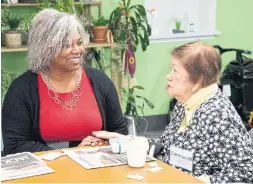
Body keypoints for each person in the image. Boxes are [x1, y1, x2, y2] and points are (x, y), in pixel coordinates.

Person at [94, 42, 253, 183]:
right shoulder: (186, 104)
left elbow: (245, 171)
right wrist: (129, 141)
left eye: (175, 71)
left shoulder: (218, 115)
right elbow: (165, 146)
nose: (168, 76)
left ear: (197, 81)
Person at [2, 9, 127, 155]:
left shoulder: (99, 80)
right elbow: (16, 144)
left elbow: (120, 130)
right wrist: (72, 154)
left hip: (95, 165)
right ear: (46, 49)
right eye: (67, 45)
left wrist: (102, 143)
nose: (77, 50)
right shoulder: (21, 89)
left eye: (79, 43)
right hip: (47, 171)